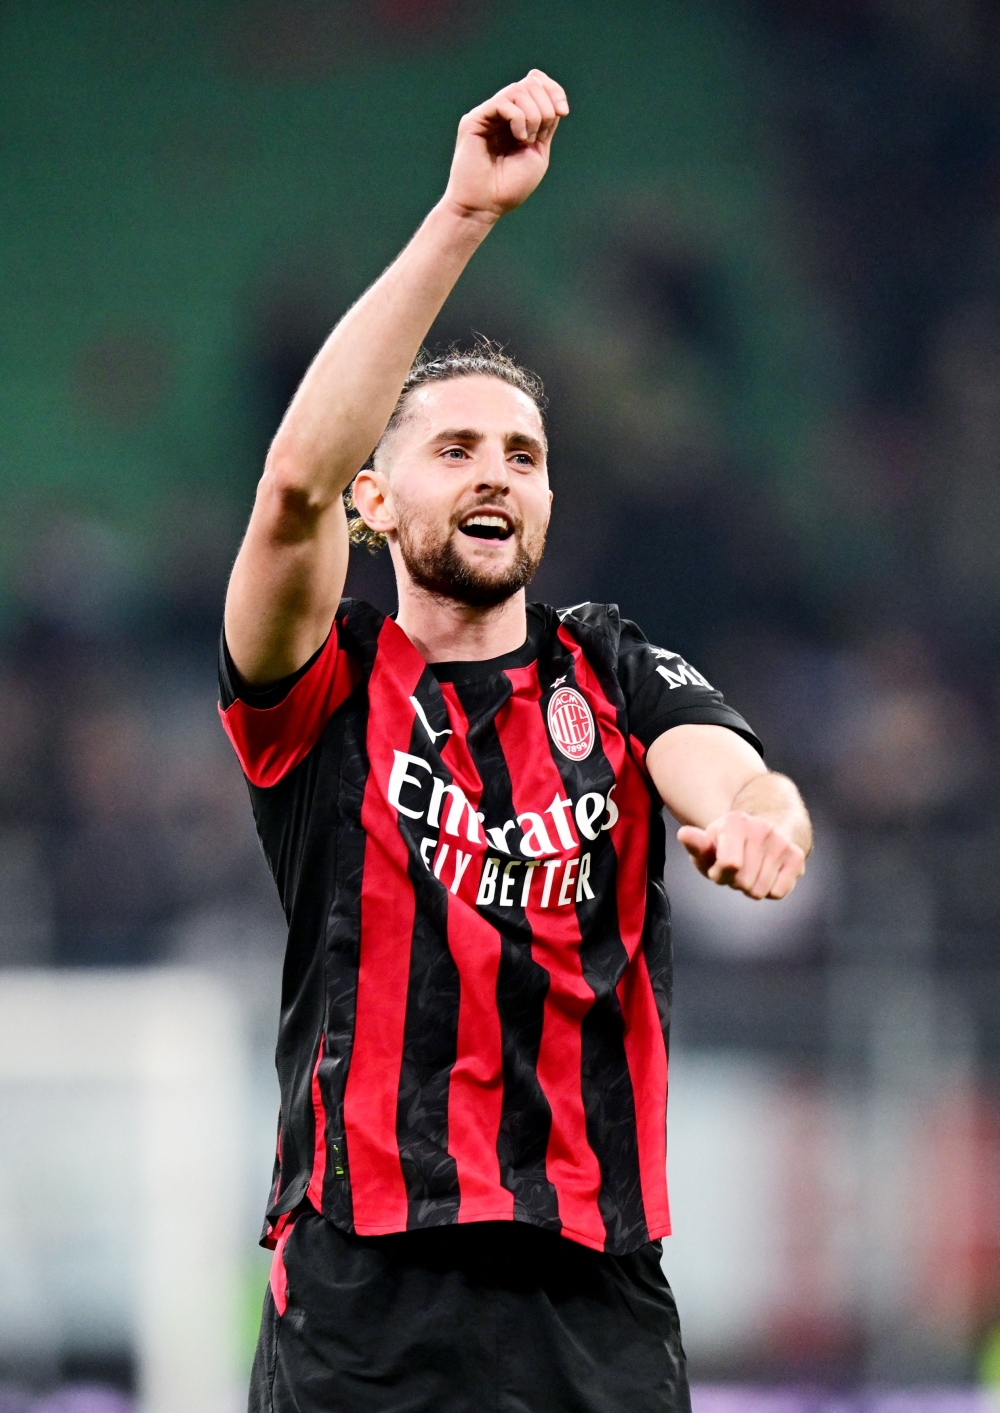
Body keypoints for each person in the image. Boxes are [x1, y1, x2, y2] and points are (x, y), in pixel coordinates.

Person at [220, 69, 812, 1413]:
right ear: (379, 499)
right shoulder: (325, 685)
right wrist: (464, 217)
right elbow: (292, 485)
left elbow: (720, 764)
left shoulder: (608, 664)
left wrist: (758, 812)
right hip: (365, 1293)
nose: (497, 469)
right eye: (457, 447)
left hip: (591, 1298)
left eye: (526, 453)